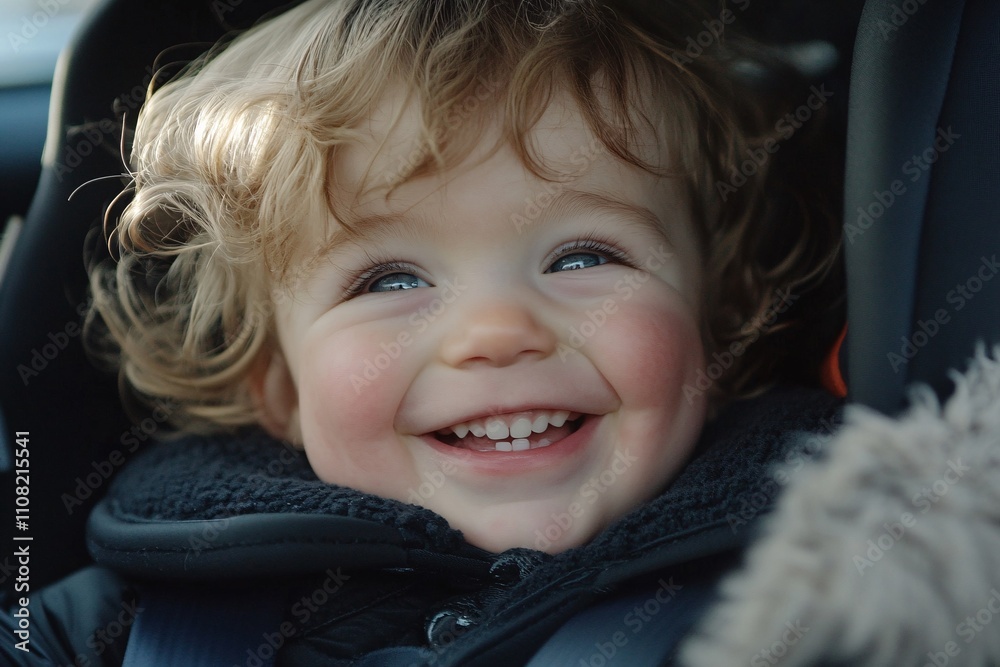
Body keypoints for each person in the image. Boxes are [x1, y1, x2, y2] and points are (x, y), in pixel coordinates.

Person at [6, 0, 861, 664]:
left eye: (581, 257)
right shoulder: (120, 625)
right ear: (277, 384)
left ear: (714, 328)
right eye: (391, 280)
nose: (495, 332)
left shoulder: (845, 586)